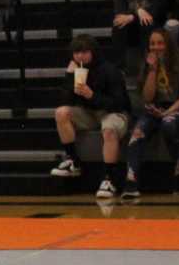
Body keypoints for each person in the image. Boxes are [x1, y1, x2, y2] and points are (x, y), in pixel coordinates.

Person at [49, 34, 130, 198]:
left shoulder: (109, 70)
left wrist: (92, 96)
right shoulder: (76, 71)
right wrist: (69, 76)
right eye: (76, 52)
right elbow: (65, 101)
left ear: (93, 52)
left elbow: (119, 103)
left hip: (113, 112)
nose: (80, 56)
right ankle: (73, 161)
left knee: (109, 129)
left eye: (84, 52)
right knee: (61, 113)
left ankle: (109, 179)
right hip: (89, 113)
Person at [123, 28, 179, 201]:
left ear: (168, 44)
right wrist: (152, 70)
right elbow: (147, 97)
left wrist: (167, 113)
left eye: (160, 43)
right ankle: (131, 179)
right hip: (155, 108)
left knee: (168, 123)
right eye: (152, 44)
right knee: (137, 133)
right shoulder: (147, 64)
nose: (156, 47)